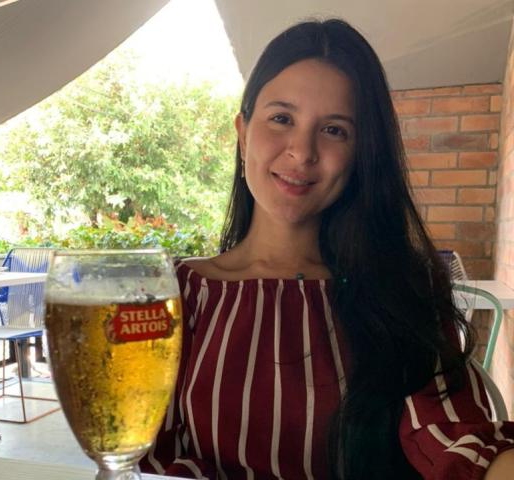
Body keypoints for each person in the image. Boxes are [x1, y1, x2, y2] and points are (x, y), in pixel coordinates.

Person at [140, 19, 514, 479]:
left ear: (361, 154)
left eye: (334, 130)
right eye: (282, 119)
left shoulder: (401, 289)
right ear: (242, 132)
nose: (302, 152)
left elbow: (456, 438)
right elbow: (147, 455)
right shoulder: (175, 293)